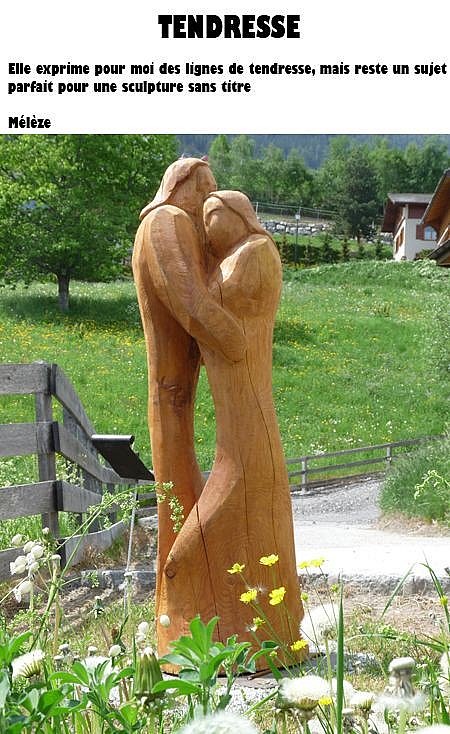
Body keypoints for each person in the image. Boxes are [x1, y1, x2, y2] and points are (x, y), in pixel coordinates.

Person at [157, 190, 303, 657]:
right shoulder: (230, 260)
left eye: (215, 214)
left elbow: (223, 324)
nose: (207, 224)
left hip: (247, 415)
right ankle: (225, 624)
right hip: (232, 416)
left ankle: (262, 627)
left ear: (240, 216)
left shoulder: (256, 253)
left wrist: (186, 291)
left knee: (232, 500)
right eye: (203, 216)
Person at [132, 162, 246, 631]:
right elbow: (189, 301)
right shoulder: (166, 221)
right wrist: (236, 341)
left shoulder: (166, 223)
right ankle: (183, 616)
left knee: (185, 496)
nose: (209, 201)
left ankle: (193, 611)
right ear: (181, 186)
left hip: (177, 388)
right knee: (178, 501)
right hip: (171, 393)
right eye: (206, 189)